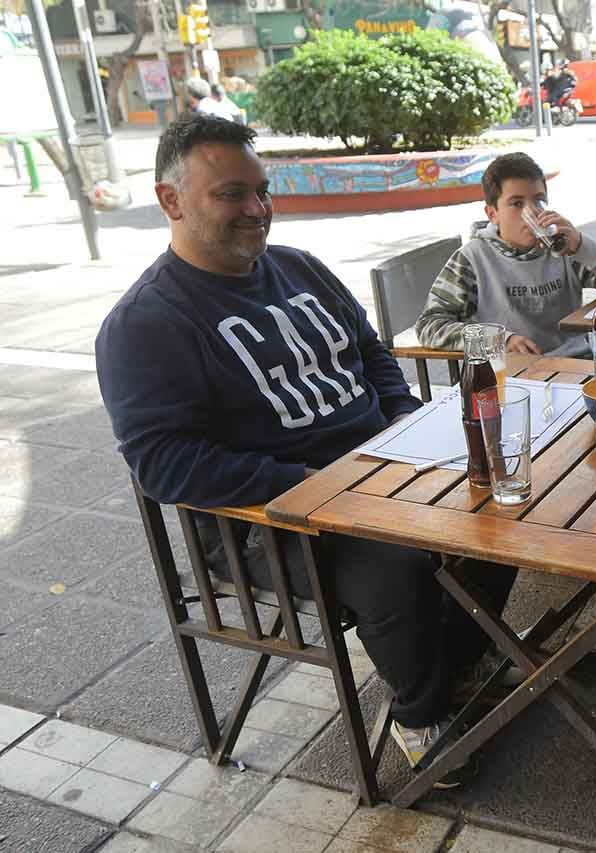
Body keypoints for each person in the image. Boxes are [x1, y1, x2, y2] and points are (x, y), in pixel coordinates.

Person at [95, 114, 518, 778]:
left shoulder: (299, 269)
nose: (258, 209)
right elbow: (165, 463)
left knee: (505, 499)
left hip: (372, 471)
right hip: (265, 520)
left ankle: (454, 657)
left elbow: (372, 355)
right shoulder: (145, 324)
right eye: (231, 194)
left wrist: (408, 425)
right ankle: (420, 712)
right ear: (170, 201)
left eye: (261, 190)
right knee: (396, 557)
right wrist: (318, 485)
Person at [415, 152, 596, 357]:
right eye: (516, 204)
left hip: (575, 363)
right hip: (516, 374)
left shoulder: (564, 249)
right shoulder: (474, 259)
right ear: (492, 213)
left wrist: (582, 245)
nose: (532, 212)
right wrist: (498, 340)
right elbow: (429, 325)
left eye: (538, 200)